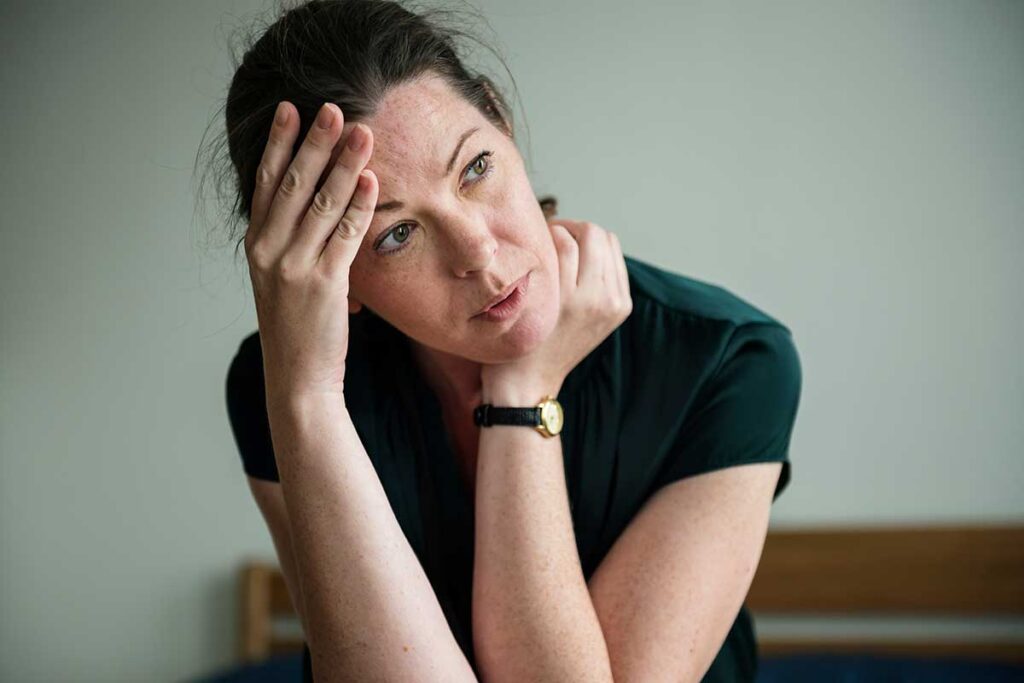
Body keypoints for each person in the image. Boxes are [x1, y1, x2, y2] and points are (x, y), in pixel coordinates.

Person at [206, 1, 803, 680]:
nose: (480, 253)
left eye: (476, 168)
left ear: (499, 116)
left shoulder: (728, 362)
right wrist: (307, 399)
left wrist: (522, 390)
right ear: (334, 273)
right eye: (397, 234)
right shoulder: (283, 390)